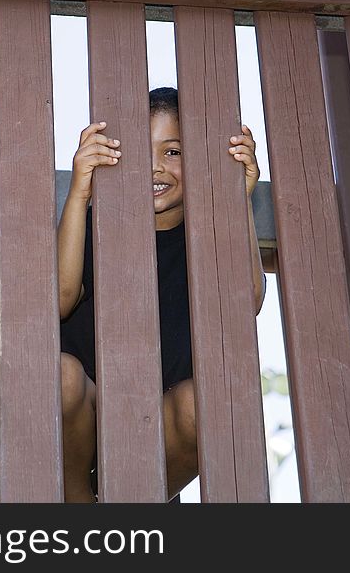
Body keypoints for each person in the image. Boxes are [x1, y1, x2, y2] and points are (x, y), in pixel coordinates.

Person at [57, 87, 266, 503]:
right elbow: (60, 299)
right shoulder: (98, 224)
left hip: (160, 421)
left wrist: (234, 197)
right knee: (59, 375)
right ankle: (77, 500)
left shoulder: (208, 237)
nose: (156, 166)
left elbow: (247, 302)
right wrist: (80, 192)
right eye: (141, 151)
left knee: (202, 403)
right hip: (86, 408)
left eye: (173, 152)